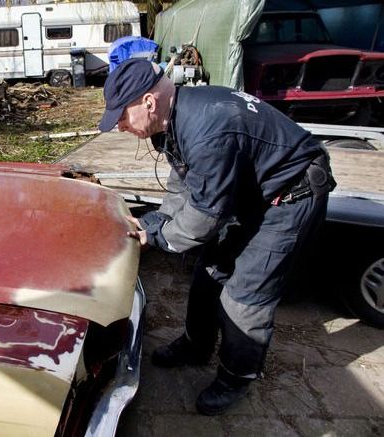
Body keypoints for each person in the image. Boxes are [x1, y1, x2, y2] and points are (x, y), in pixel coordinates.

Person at [99, 58, 336, 415]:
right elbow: (185, 185)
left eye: (121, 114)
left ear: (148, 102)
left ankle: (236, 376)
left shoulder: (208, 130)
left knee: (245, 295)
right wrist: (157, 220)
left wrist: (160, 237)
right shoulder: (174, 119)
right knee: (209, 272)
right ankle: (197, 346)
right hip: (256, 191)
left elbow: (201, 221)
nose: (119, 125)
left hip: (292, 194)